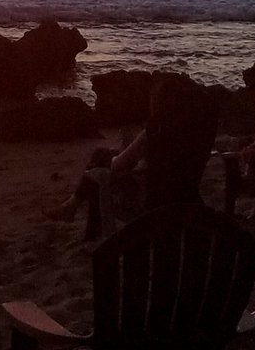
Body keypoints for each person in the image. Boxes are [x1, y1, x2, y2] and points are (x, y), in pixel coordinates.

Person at [46, 74, 218, 233]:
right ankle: (72, 205)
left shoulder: (155, 132)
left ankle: (75, 210)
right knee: (104, 156)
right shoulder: (199, 136)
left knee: (100, 161)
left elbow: (118, 165)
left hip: (149, 200)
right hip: (186, 197)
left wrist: (120, 156)